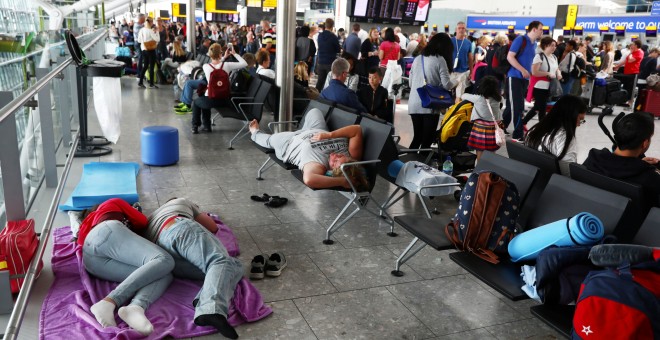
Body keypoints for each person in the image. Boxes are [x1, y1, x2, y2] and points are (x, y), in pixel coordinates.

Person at [146, 198, 242, 339]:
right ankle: (211, 309)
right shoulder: (182, 201)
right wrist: (199, 213)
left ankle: (204, 299)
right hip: (178, 228)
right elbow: (212, 227)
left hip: (162, 254)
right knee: (220, 260)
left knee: (234, 265)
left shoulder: (152, 217)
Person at [78, 198, 174, 336]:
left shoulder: (84, 228)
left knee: (162, 272)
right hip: (107, 231)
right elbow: (143, 221)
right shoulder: (111, 202)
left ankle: (135, 308)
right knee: (163, 259)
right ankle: (109, 301)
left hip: (91, 263)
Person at [249, 108, 369, 190]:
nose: (335, 156)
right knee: (314, 111)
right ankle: (303, 129)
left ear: (331, 171)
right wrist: (329, 135)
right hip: (319, 131)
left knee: (269, 140)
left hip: (289, 143)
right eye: (341, 157)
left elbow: (309, 179)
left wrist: (343, 181)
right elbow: (356, 130)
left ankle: (255, 132)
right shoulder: (353, 155)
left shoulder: (318, 165)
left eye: (334, 162)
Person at [583, 112, 660, 214]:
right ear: (645, 143)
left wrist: (638, 164)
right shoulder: (650, 178)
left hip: (588, 215)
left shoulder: (593, 159)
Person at [407, 33, 456, 149]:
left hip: (414, 103)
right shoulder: (440, 60)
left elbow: (410, 83)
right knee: (427, 141)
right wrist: (458, 81)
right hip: (429, 105)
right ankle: (421, 165)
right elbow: (447, 85)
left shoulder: (418, 58)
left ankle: (408, 164)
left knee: (417, 138)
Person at [191, 43, 247, 134]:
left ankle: (196, 126)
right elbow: (244, 63)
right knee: (204, 98)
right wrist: (234, 54)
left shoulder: (206, 67)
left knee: (198, 101)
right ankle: (206, 126)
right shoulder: (227, 65)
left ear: (210, 54)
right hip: (225, 100)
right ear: (220, 53)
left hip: (211, 99)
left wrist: (222, 57)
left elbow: (215, 64)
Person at [524, 95, 587, 175]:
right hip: (553, 183)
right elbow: (567, 172)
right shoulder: (564, 138)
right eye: (580, 119)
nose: (578, 124)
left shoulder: (534, 130)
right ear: (570, 116)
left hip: (533, 177)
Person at [502, 20, 543, 141]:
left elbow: (529, 62)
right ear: (534, 29)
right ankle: (518, 134)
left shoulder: (534, 44)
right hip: (514, 77)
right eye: (541, 29)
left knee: (513, 106)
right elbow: (510, 56)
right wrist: (522, 70)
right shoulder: (521, 40)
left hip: (524, 79)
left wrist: (529, 76)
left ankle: (501, 127)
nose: (542, 31)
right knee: (517, 106)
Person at [522, 37, 562, 128]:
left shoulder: (554, 57)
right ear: (545, 46)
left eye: (555, 46)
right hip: (539, 86)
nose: (554, 47)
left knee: (538, 107)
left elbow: (556, 68)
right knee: (541, 107)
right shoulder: (539, 56)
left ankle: (523, 122)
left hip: (549, 86)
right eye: (551, 45)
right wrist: (547, 73)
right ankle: (542, 127)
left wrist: (558, 73)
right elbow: (534, 72)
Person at [462, 76, 503, 161]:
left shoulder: (478, 99)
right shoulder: (498, 99)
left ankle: (480, 170)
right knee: (492, 151)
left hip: (480, 129)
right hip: (493, 129)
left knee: (480, 151)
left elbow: (463, 95)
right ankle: (490, 170)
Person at [449, 21, 473, 103]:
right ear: (456, 29)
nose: (461, 30)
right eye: (459, 28)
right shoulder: (450, 41)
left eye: (463, 28)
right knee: (447, 89)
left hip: (463, 71)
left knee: (459, 94)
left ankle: (456, 110)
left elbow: (470, 58)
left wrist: (471, 72)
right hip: (450, 71)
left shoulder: (468, 43)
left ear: (465, 30)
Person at [316, 18, 341, 92]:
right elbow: (338, 50)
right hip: (330, 63)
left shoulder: (319, 36)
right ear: (332, 26)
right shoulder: (333, 37)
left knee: (320, 81)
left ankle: (315, 96)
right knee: (330, 82)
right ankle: (327, 99)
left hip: (320, 62)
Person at [136, 18, 160, 89]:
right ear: (150, 22)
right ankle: (151, 84)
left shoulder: (141, 30)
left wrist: (145, 41)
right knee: (152, 67)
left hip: (144, 50)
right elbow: (157, 39)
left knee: (145, 66)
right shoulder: (150, 31)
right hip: (151, 50)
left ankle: (140, 82)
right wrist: (157, 32)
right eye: (152, 21)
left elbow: (139, 40)